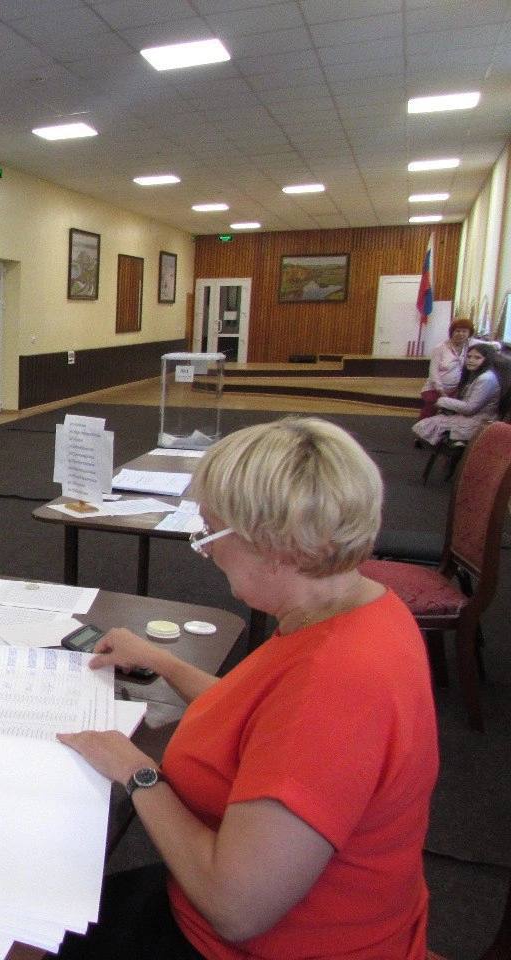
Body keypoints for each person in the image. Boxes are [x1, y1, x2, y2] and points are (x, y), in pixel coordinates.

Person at [56, 417, 438, 959]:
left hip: (268, 944)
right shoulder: (356, 605)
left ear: (278, 547)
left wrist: (136, 772)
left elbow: (235, 908)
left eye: (209, 534)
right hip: (299, 917)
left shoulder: (338, 685)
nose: (205, 551)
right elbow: (260, 719)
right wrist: (162, 662)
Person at [413, 341, 503, 447]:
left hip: (480, 420)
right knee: (427, 424)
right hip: (472, 416)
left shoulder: (486, 379)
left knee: (429, 425)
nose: (471, 360)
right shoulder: (478, 374)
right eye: (469, 357)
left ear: (487, 360)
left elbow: (470, 409)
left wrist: (443, 401)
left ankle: (460, 445)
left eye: (477, 358)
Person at [419, 316, 473, 418]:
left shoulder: (469, 345)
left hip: (456, 389)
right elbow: (433, 373)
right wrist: (442, 393)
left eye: (464, 331)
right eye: (457, 331)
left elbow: (493, 345)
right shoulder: (440, 348)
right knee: (430, 411)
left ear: (469, 333)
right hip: (435, 388)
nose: (461, 334)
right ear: (452, 332)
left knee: (451, 414)